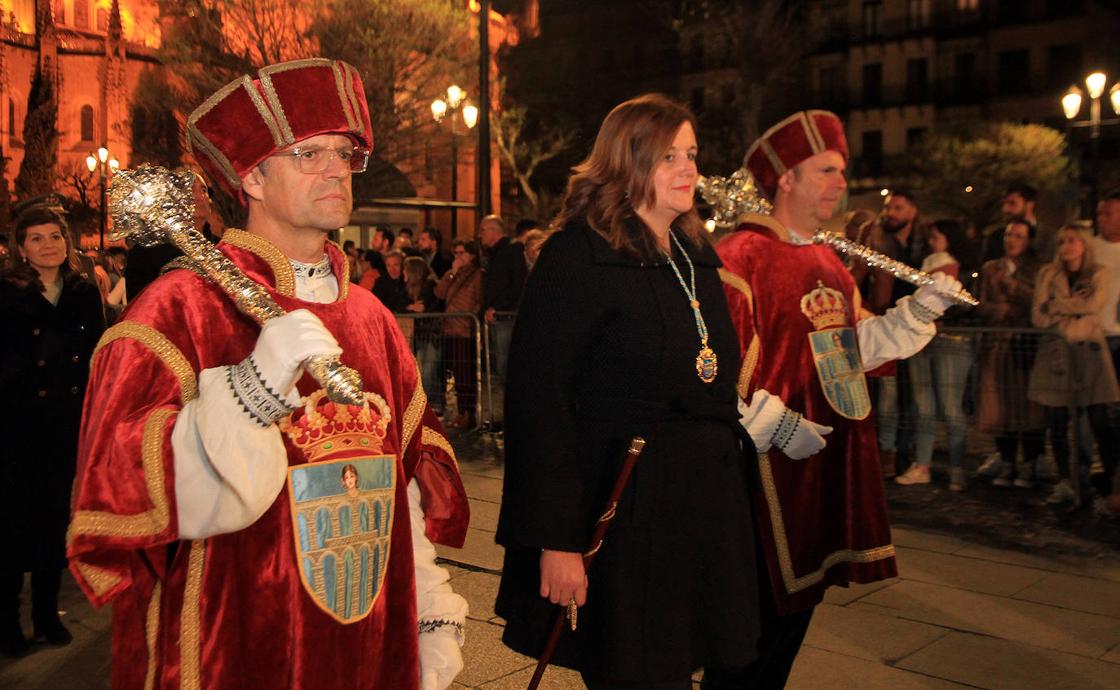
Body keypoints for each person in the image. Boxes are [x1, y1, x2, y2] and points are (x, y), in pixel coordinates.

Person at [67, 58, 470, 690]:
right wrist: (250, 390)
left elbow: (403, 487)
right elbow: (129, 497)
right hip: (238, 647)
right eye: (309, 154)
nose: (337, 169)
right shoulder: (178, 310)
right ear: (251, 177)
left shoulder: (370, 316)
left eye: (345, 153)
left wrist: (430, 611)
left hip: (368, 644)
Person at [496, 94, 762, 689]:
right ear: (627, 162)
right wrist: (557, 541)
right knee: (635, 671)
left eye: (691, 154)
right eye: (669, 156)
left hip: (700, 509)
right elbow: (540, 407)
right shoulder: (577, 256)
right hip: (624, 509)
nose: (689, 169)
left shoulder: (695, 255)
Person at [716, 110, 961, 686]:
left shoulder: (830, 259)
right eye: (825, 170)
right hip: (760, 477)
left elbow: (851, 348)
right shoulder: (738, 256)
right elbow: (714, 371)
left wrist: (917, 313)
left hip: (823, 464)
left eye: (841, 171)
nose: (839, 184)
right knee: (752, 634)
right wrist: (770, 425)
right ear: (786, 179)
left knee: (792, 626)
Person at [1, 205, 105, 657]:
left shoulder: (82, 292)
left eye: (56, 237)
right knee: (10, 522)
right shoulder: (7, 294)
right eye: (37, 238)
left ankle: (46, 614)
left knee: (52, 519)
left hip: (66, 419)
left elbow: (97, 350)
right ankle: (7, 621)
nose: (49, 246)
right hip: (15, 423)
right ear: (21, 249)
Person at [1028, 225, 1120, 509]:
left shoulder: (1098, 272)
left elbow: (1094, 305)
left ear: (1083, 245)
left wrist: (1057, 305)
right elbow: (1038, 317)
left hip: (1089, 354)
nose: (1066, 246)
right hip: (1057, 353)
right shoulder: (1048, 274)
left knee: (1099, 420)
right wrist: (1071, 306)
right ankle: (1066, 481)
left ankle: (1112, 486)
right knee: (1058, 421)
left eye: (1072, 240)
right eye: (1061, 241)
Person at [896, 219, 977, 490]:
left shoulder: (964, 270)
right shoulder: (926, 264)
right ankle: (922, 465)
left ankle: (957, 467)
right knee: (924, 405)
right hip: (923, 339)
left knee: (950, 405)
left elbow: (966, 304)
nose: (932, 242)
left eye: (936, 237)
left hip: (951, 339)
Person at [975, 218, 1046, 488]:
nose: (1012, 240)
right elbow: (980, 303)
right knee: (999, 404)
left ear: (1028, 240)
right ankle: (1006, 459)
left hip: (1024, 345)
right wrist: (997, 311)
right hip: (998, 344)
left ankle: (1029, 462)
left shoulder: (1038, 270)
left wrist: (1014, 288)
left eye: (1018, 235)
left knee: (1026, 406)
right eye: (1008, 234)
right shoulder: (991, 268)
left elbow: (1038, 301)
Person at [868, 189, 926, 478]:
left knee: (914, 396)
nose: (891, 213)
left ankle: (907, 451)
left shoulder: (925, 243)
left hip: (916, 328)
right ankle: (889, 453)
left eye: (898, 208)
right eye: (889, 207)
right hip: (888, 326)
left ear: (913, 211)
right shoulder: (881, 241)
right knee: (889, 397)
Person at [126, 171, 216, 301]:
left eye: (203, 190)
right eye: (189, 190)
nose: (199, 197)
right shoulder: (146, 253)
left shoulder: (222, 248)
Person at [434, 240, 482, 430]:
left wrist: (471, 320)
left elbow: (480, 300)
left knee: (466, 375)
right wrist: (451, 273)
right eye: (456, 253)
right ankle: (462, 412)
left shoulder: (477, 275)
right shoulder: (453, 274)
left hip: (465, 329)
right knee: (457, 373)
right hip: (450, 328)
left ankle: (468, 413)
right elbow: (439, 293)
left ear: (472, 255)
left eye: (462, 253)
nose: (458, 257)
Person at [479, 214, 528, 381]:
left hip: (505, 317)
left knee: (505, 364)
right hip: (497, 317)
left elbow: (517, 284)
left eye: (483, 230)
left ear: (494, 231)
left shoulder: (512, 250)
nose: (481, 235)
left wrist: (498, 307)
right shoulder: (495, 254)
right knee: (499, 364)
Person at [403, 256, 444, 413]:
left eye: (405, 270)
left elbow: (422, 308)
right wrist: (409, 306)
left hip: (432, 334)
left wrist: (412, 307)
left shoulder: (428, 286)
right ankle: (427, 404)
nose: (403, 273)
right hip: (421, 334)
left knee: (429, 369)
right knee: (422, 369)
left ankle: (435, 404)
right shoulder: (410, 288)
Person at [981, 182, 1043, 263]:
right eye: (1003, 204)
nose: (1005, 209)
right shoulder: (995, 237)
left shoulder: (1048, 237)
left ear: (1029, 204)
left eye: (1012, 203)